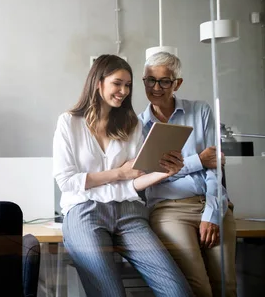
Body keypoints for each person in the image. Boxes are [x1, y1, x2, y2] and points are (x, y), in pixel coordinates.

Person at [53, 54, 193, 297]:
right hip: (84, 211)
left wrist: (163, 173)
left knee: (178, 291)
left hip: (129, 212)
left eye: (128, 85)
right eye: (117, 83)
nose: (124, 91)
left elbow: (134, 181)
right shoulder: (69, 123)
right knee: (111, 293)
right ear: (99, 83)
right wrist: (119, 172)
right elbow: (67, 181)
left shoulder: (132, 125)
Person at [140, 52, 236, 297]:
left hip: (213, 204)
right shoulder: (137, 125)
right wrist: (198, 160)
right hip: (169, 210)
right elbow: (150, 174)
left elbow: (215, 166)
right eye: (150, 80)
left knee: (226, 286)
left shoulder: (201, 111)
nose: (156, 87)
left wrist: (212, 214)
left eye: (164, 81)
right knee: (199, 287)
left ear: (177, 84)